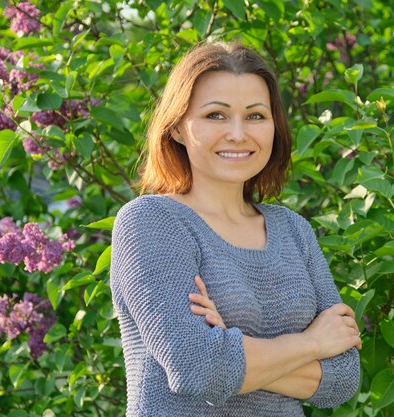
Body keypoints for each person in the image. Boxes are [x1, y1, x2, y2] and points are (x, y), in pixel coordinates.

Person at [110, 41, 361, 417]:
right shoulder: (151, 223)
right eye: (216, 115)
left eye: (256, 116)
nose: (239, 134)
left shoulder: (293, 230)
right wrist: (312, 343)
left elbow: (342, 379)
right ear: (177, 127)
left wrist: (230, 345)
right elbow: (197, 370)